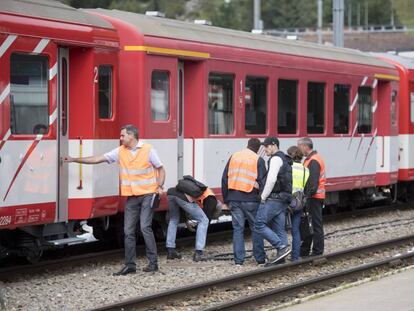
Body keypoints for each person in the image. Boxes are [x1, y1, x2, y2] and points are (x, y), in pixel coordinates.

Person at [65, 124, 165, 275]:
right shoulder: (120, 151)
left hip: (148, 195)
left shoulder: (148, 149)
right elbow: (98, 159)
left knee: (145, 227)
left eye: (122, 135)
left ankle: (153, 263)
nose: (120, 138)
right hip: (131, 196)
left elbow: (160, 169)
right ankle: (130, 265)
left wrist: (160, 186)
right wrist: (74, 159)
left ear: (131, 136)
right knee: (128, 231)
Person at [221, 138, 267, 265]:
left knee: (238, 229)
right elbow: (263, 182)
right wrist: (262, 199)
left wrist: (226, 199)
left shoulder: (234, 156)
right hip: (251, 199)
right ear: (258, 149)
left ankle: (239, 261)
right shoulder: (258, 159)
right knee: (256, 228)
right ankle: (260, 258)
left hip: (234, 199)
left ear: (247, 145)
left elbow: (225, 178)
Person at [254, 137, 292, 264]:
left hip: (274, 198)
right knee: (279, 228)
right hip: (283, 199)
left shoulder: (275, 159)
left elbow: (271, 180)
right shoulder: (284, 158)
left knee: (259, 224)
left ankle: (281, 247)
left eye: (266, 146)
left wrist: (263, 197)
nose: (264, 149)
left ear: (273, 145)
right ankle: (282, 257)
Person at [165, 184, 217, 261]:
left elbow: (182, 207)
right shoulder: (212, 199)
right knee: (204, 220)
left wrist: (187, 222)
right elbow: (206, 219)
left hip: (171, 193)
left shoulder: (199, 188)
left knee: (174, 220)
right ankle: (199, 253)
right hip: (182, 197)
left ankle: (170, 251)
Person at [297, 137, 326, 257]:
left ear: (305, 146)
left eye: (299, 147)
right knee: (311, 224)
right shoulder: (311, 159)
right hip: (315, 196)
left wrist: (306, 197)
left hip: (314, 197)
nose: (299, 149)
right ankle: (306, 250)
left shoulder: (313, 161)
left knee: (315, 224)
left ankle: (317, 251)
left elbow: (312, 183)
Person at [286, 146, 309, 261]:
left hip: (288, 201)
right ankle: (295, 256)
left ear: (290, 155)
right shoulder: (306, 170)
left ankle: (281, 254)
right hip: (299, 202)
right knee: (295, 230)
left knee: (281, 229)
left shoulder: (288, 168)